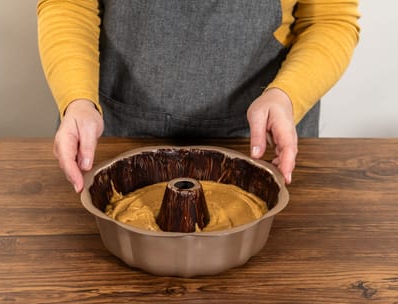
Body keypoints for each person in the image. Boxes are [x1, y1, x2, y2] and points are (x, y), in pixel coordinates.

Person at [37, 0, 360, 193]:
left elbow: (329, 19)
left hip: (263, 141)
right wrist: (77, 98)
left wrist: (285, 96)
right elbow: (70, 4)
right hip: (112, 137)